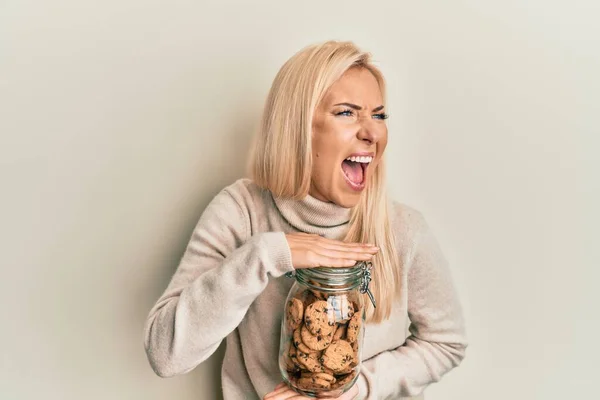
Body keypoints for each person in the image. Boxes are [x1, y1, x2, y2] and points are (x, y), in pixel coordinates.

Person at [143, 40, 467, 400]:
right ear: (298, 127)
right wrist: (265, 255)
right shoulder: (242, 212)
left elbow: (446, 342)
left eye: (378, 115)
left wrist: (356, 391)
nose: (372, 133)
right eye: (347, 113)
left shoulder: (402, 229)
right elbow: (165, 354)